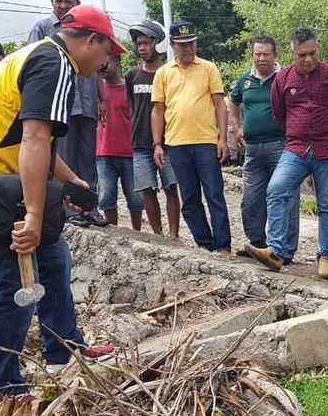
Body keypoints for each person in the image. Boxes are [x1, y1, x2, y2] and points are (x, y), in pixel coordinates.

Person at [0, 4, 124, 393]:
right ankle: (2, 384)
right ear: (92, 40)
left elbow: (31, 138)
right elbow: (35, 139)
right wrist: (36, 214)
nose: (108, 61)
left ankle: (62, 349)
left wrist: (71, 180)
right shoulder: (54, 63)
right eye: (108, 51)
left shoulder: (40, 55)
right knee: (11, 280)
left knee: (54, 256)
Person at [246, 28, 328, 279]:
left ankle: (326, 256)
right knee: (276, 189)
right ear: (292, 53)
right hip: (295, 148)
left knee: (327, 203)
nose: (308, 60)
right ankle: (276, 252)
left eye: (312, 53)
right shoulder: (283, 80)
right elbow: (280, 114)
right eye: (301, 55)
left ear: (319, 48)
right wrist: (298, 131)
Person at [29, 0, 107, 228]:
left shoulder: (86, 29)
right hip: (59, 105)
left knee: (88, 159)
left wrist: (102, 99)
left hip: (87, 103)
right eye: (58, 1)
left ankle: (89, 208)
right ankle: (68, 210)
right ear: (52, 2)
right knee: (64, 158)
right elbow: (32, 63)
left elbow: (96, 70)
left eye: (67, 1)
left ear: (77, 4)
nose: (62, 6)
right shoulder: (42, 28)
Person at [151, 20, 232, 255]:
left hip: (206, 141)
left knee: (214, 193)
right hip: (176, 144)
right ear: (173, 45)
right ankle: (204, 243)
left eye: (192, 43)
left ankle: (223, 244)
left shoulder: (208, 68)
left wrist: (222, 138)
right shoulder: (163, 73)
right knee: (189, 197)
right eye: (183, 45)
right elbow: (157, 109)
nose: (188, 49)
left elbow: (220, 105)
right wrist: (158, 143)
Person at [229, 35, 299, 261]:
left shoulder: (286, 77)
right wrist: (237, 126)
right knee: (251, 199)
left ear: (275, 55)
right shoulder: (245, 80)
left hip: (281, 147)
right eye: (257, 54)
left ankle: (284, 251)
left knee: (285, 198)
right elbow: (233, 101)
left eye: (266, 54)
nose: (261, 58)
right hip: (252, 149)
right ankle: (257, 244)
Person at [126, 20, 180, 238]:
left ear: (157, 44)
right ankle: (158, 235)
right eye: (139, 44)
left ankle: (174, 234)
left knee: (171, 187)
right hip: (140, 142)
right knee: (147, 189)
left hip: (168, 141)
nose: (142, 48)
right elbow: (132, 105)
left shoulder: (169, 73)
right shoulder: (132, 75)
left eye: (146, 43)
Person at [96, 55, 143, 230]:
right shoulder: (97, 91)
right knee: (106, 196)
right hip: (104, 151)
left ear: (117, 64)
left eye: (106, 63)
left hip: (130, 151)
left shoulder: (128, 89)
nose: (103, 66)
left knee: (135, 197)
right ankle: (113, 230)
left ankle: (137, 232)